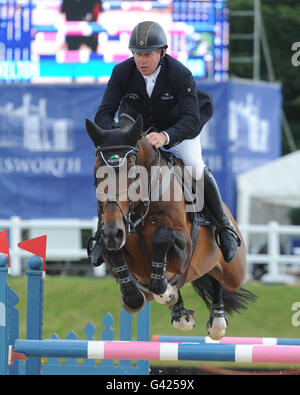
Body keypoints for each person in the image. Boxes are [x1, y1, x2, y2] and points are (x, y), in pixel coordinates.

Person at [90, 21, 240, 266]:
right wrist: (116, 134)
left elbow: (192, 120)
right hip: (136, 132)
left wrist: (166, 137)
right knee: (108, 168)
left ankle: (224, 226)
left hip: (178, 129)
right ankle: (101, 233)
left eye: (148, 54)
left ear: (162, 52)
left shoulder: (180, 74)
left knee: (194, 165)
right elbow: (104, 113)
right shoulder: (121, 72)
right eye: (137, 54)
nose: (142, 61)